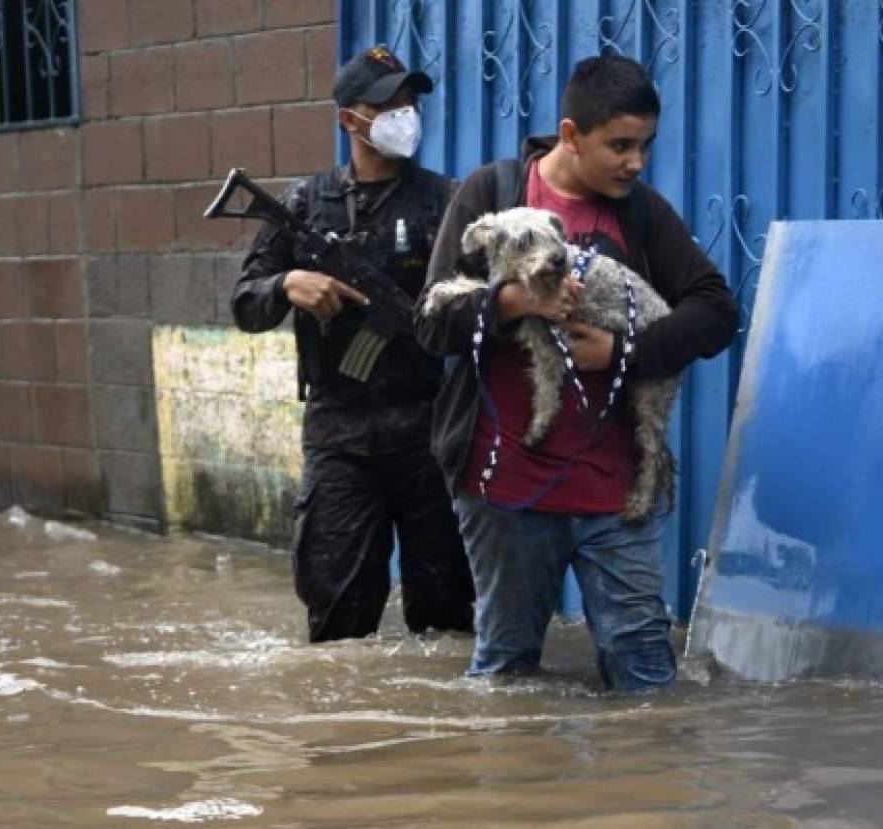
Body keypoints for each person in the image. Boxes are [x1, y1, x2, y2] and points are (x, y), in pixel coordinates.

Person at [415, 54, 739, 691]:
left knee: (645, 672)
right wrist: (512, 302)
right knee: (507, 673)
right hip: (505, 486)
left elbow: (717, 311)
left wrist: (625, 355)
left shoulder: (640, 214)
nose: (635, 162)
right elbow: (430, 324)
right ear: (570, 135)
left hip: (615, 490)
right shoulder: (494, 195)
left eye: (645, 146)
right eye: (619, 146)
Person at [231, 45, 474, 642]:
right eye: (387, 103)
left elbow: (483, 305)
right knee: (338, 619)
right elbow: (245, 303)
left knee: (446, 616)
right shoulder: (304, 205)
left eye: (409, 102)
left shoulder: (446, 200)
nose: (404, 114)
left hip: (427, 430)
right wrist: (289, 283)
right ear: (348, 119)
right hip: (339, 434)